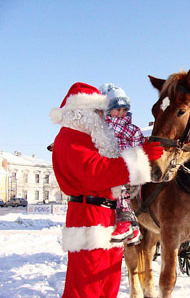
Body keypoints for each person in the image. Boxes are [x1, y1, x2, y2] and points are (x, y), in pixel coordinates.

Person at [50, 82, 163, 298]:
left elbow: (115, 170)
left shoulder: (89, 140)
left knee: (107, 284)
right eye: (98, 111)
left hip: (106, 215)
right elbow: (99, 173)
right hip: (88, 217)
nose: (103, 118)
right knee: (86, 286)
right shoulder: (70, 138)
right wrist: (140, 156)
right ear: (81, 112)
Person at [99, 83, 145, 246]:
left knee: (118, 186)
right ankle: (133, 227)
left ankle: (125, 222)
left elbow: (140, 146)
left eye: (124, 110)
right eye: (117, 109)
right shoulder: (101, 128)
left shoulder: (132, 129)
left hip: (127, 168)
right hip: (108, 166)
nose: (121, 113)